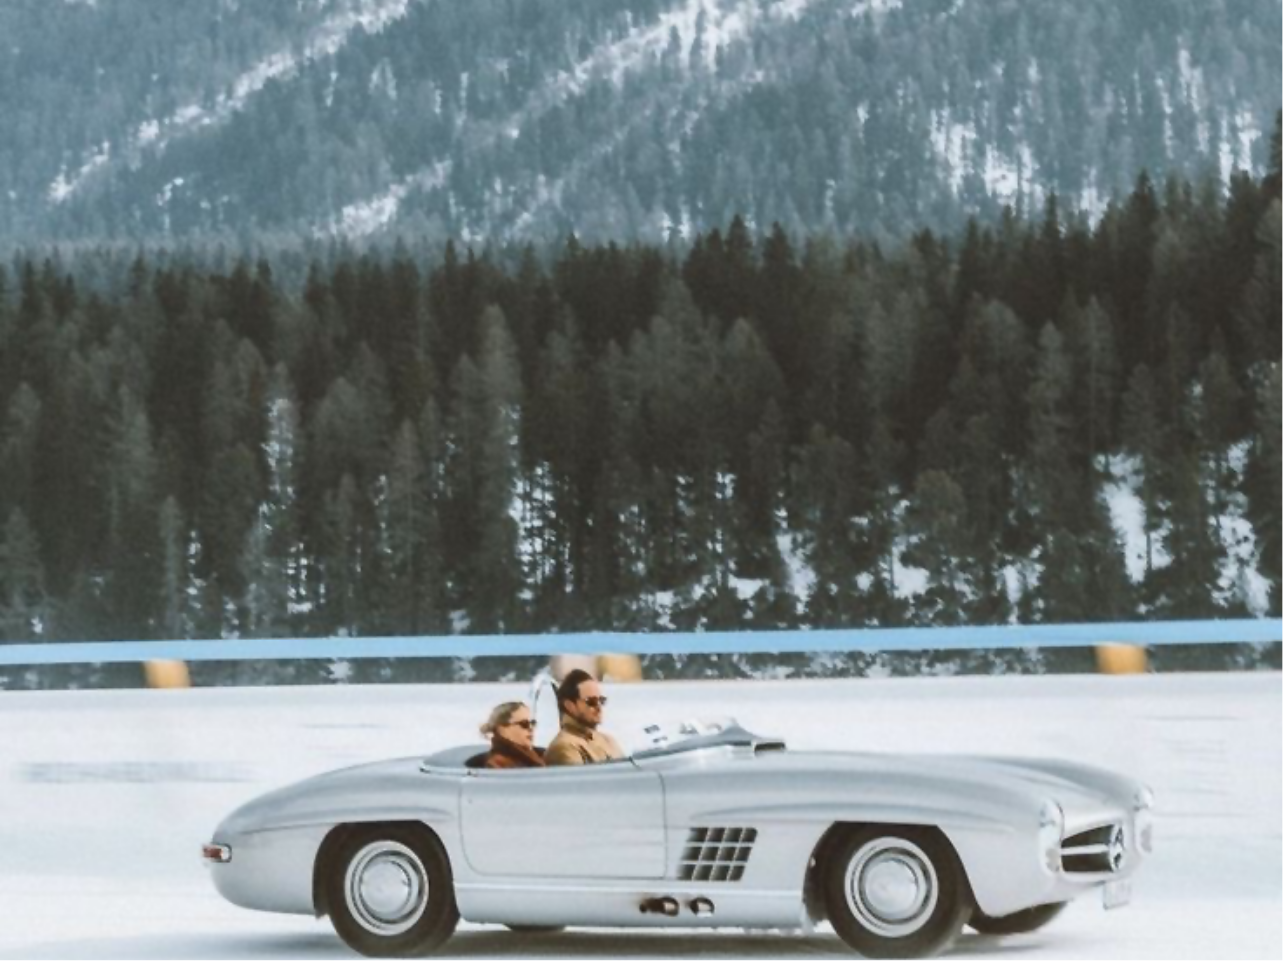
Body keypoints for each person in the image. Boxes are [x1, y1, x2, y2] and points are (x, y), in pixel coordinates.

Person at [545, 669, 625, 766]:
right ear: (570, 706)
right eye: (591, 702)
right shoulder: (563, 748)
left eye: (601, 700)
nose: (599, 707)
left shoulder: (608, 740)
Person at [479, 701, 545, 770]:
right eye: (524, 724)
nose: (531, 729)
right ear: (502, 729)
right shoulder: (497, 765)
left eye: (532, 723)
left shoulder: (537, 755)